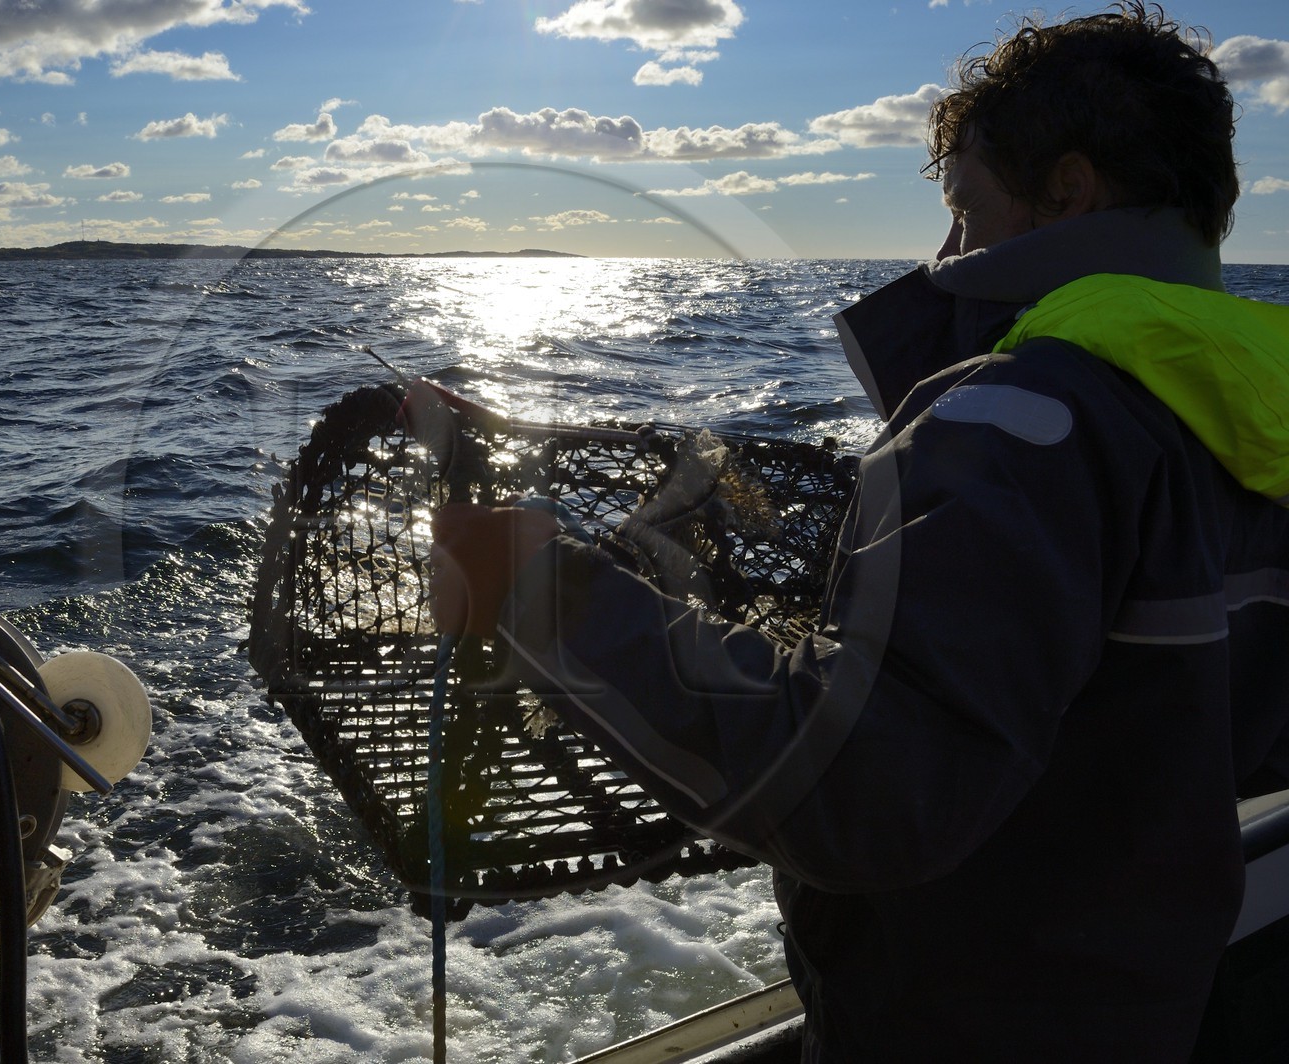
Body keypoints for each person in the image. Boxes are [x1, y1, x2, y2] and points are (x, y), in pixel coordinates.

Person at [423, 3, 1289, 1060]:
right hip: (1137, 1003)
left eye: (965, 213)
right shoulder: (1242, 420)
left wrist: (528, 586)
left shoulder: (1022, 418)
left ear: (1066, 192)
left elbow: (874, 790)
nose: (941, 254)